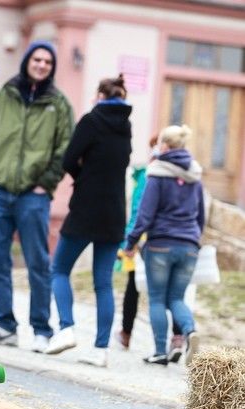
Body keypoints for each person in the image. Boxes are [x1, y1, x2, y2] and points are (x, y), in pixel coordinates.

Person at [0, 40, 74, 353]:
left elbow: (65, 148)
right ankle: (5, 325)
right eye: (37, 59)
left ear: (52, 67)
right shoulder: (4, 95)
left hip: (35, 196)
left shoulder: (58, 103)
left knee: (37, 262)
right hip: (0, 191)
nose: (42, 65)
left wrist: (45, 183)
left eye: (48, 61)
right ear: (27, 61)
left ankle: (41, 329)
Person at [43, 75, 132, 367]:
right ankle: (101, 349)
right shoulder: (126, 126)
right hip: (114, 212)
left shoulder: (91, 120)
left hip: (85, 208)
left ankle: (66, 328)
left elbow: (69, 159)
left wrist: (84, 176)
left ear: (100, 95)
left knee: (59, 269)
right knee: (103, 282)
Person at [123, 124, 204, 366]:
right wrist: (195, 240)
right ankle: (190, 331)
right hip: (189, 245)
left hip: (160, 245)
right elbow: (201, 215)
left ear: (165, 146)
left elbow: (145, 215)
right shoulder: (195, 175)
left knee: (157, 299)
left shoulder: (156, 173)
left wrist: (131, 242)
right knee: (177, 298)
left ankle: (160, 351)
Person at [115, 136, 184, 356]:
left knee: (136, 288)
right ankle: (177, 338)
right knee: (173, 292)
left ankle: (127, 334)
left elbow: (139, 210)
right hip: (177, 240)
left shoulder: (150, 174)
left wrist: (130, 241)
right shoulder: (185, 175)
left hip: (149, 239)